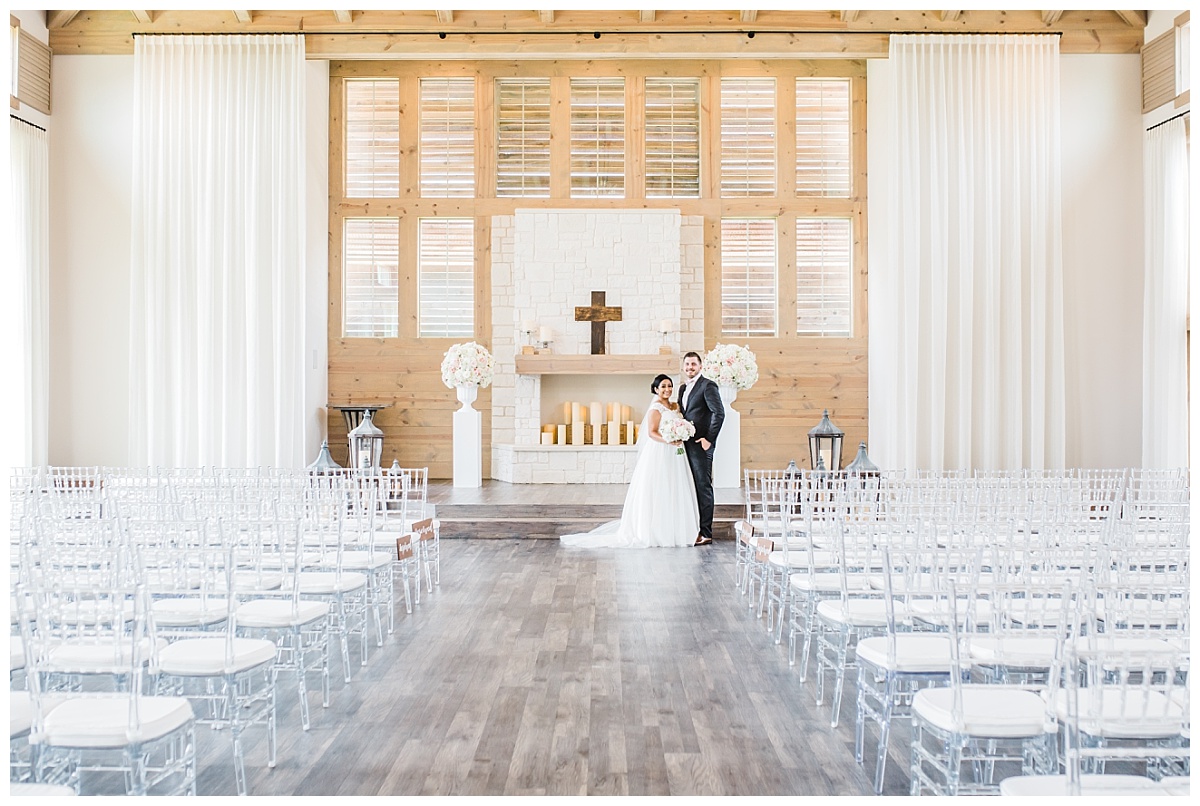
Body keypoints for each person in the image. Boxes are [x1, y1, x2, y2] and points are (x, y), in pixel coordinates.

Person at [560, 374, 699, 548]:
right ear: (656, 389)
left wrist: (682, 434)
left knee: (675, 486)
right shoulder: (655, 409)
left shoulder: (675, 406)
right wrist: (669, 440)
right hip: (661, 451)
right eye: (663, 386)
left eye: (669, 386)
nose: (667, 389)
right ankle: (655, 531)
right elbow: (652, 432)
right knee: (659, 486)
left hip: (677, 453)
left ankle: (677, 529)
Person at [678, 351, 724, 546]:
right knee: (689, 486)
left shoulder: (708, 385)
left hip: (701, 445)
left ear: (700, 366)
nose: (690, 368)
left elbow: (718, 413)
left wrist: (709, 440)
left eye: (693, 364)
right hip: (685, 444)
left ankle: (706, 533)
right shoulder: (682, 388)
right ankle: (692, 528)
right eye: (687, 364)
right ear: (683, 367)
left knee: (703, 486)